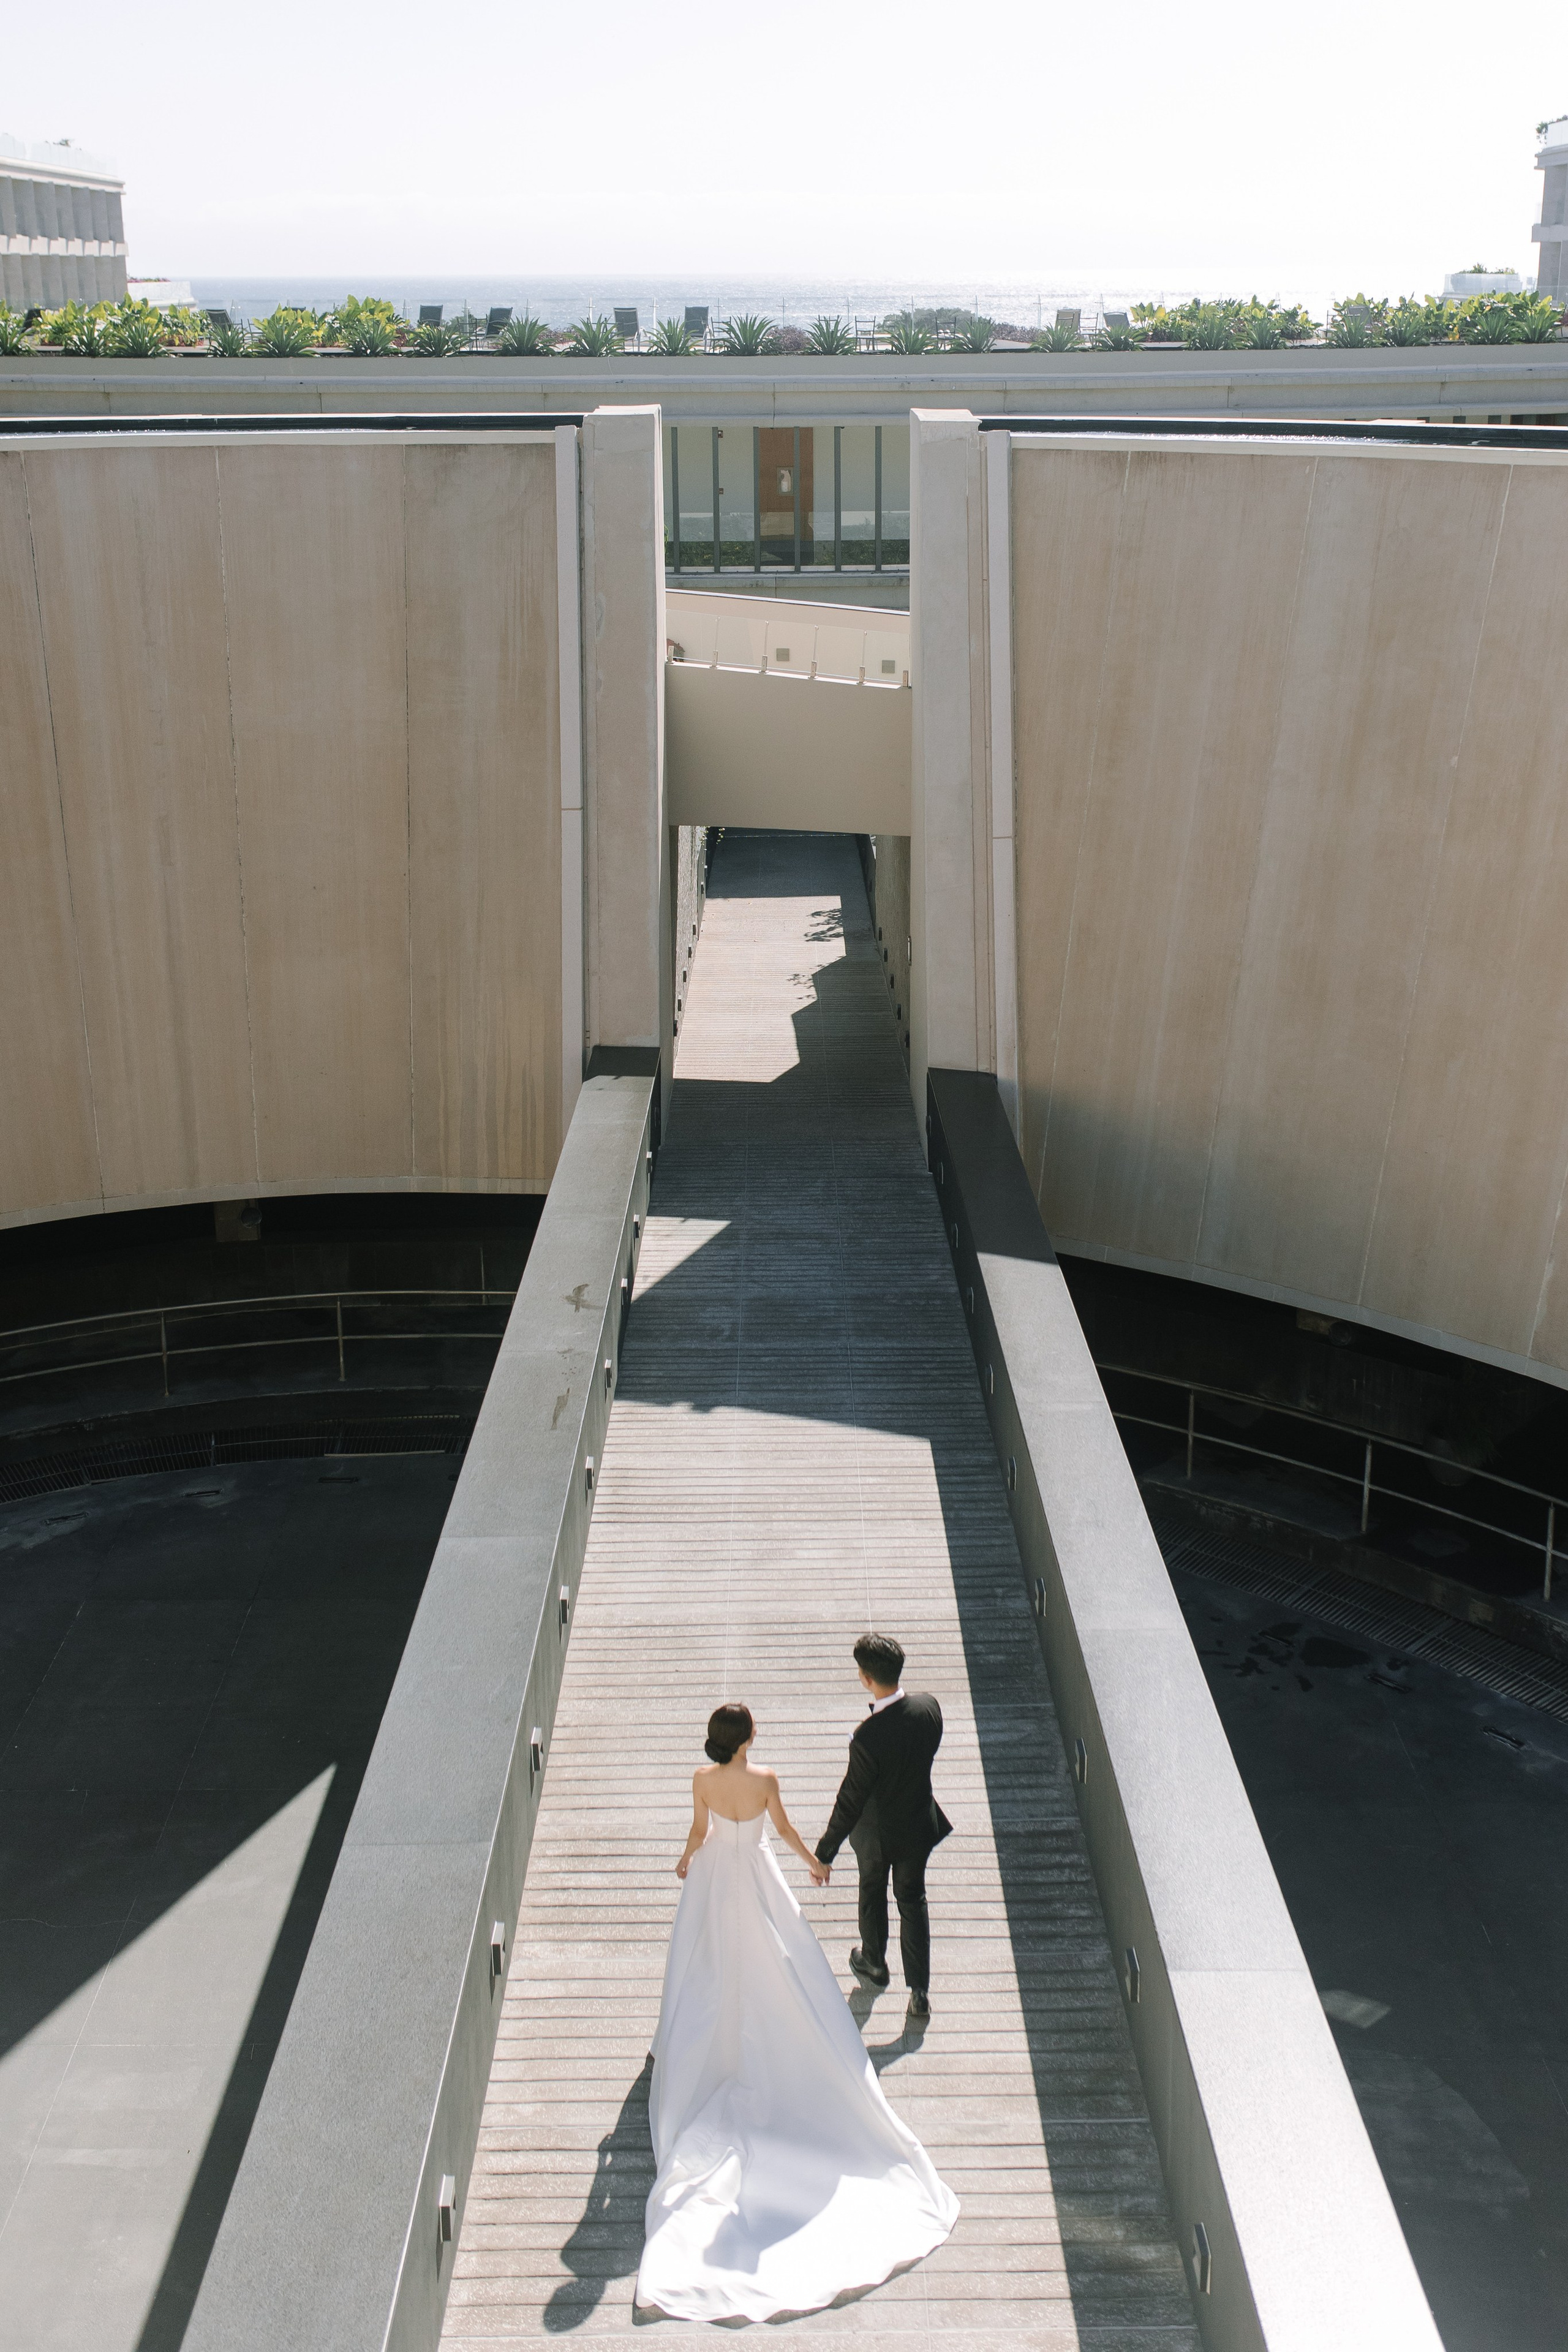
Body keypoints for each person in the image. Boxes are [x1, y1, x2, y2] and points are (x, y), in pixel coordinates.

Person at [635, 1701, 958, 2322]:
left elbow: (699, 1835)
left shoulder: (703, 1781)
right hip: (756, 1879)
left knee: (703, 1960)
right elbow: (780, 1832)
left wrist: (683, 1861)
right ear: (748, 1738)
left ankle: (686, 2040)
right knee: (776, 1963)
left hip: (713, 1881)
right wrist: (814, 1862)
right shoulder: (764, 1781)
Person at [815, 1632, 951, 2018]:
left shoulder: (867, 1738)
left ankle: (874, 1962)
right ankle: (919, 1993)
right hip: (918, 1824)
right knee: (913, 1900)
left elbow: (850, 1801)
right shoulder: (929, 1708)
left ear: (865, 1678)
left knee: (872, 1890)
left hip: (876, 1834)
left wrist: (825, 1853)